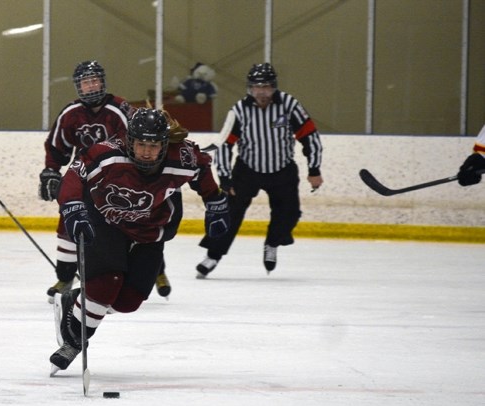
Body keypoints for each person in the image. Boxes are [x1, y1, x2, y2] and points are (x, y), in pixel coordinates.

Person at [49, 108, 230, 371]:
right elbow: (74, 176)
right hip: (106, 221)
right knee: (105, 285)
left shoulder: (182, 157)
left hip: (150, 228)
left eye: (153, 145)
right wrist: (73, 208)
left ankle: (75, 302)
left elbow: (202, 169)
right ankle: (74, 342)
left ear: (164, 144)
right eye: (141, 144)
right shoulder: (107, 152)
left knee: (128, 301)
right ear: (129, 140)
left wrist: (215, 202)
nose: (146, 151)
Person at [39, 60, 173, 303]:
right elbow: (57, 146)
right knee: (68, 220)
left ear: (103, 82)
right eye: (85, 83)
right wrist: (51, 171)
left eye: (94, 81)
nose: (91, 87)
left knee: (139, 224)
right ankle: (65, 277)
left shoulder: (120, 109)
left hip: (118, 179)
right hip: (85, 177)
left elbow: (141, 140)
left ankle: (156, 270)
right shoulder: (71, 114)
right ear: (79, 87)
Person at [196, 63, 323, 277]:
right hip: (247, 171)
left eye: (266, 86)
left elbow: (310, 136)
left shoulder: (290, 105)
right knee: (228, 214)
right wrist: (226, 180)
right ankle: (212, 256)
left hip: (282, 170)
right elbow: (225, 145)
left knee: (290, 213)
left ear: (274, 87)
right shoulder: (238, 110)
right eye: (256, 87)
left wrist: (314, 169)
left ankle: (272, 244)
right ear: (249, 88)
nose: (261, 91)